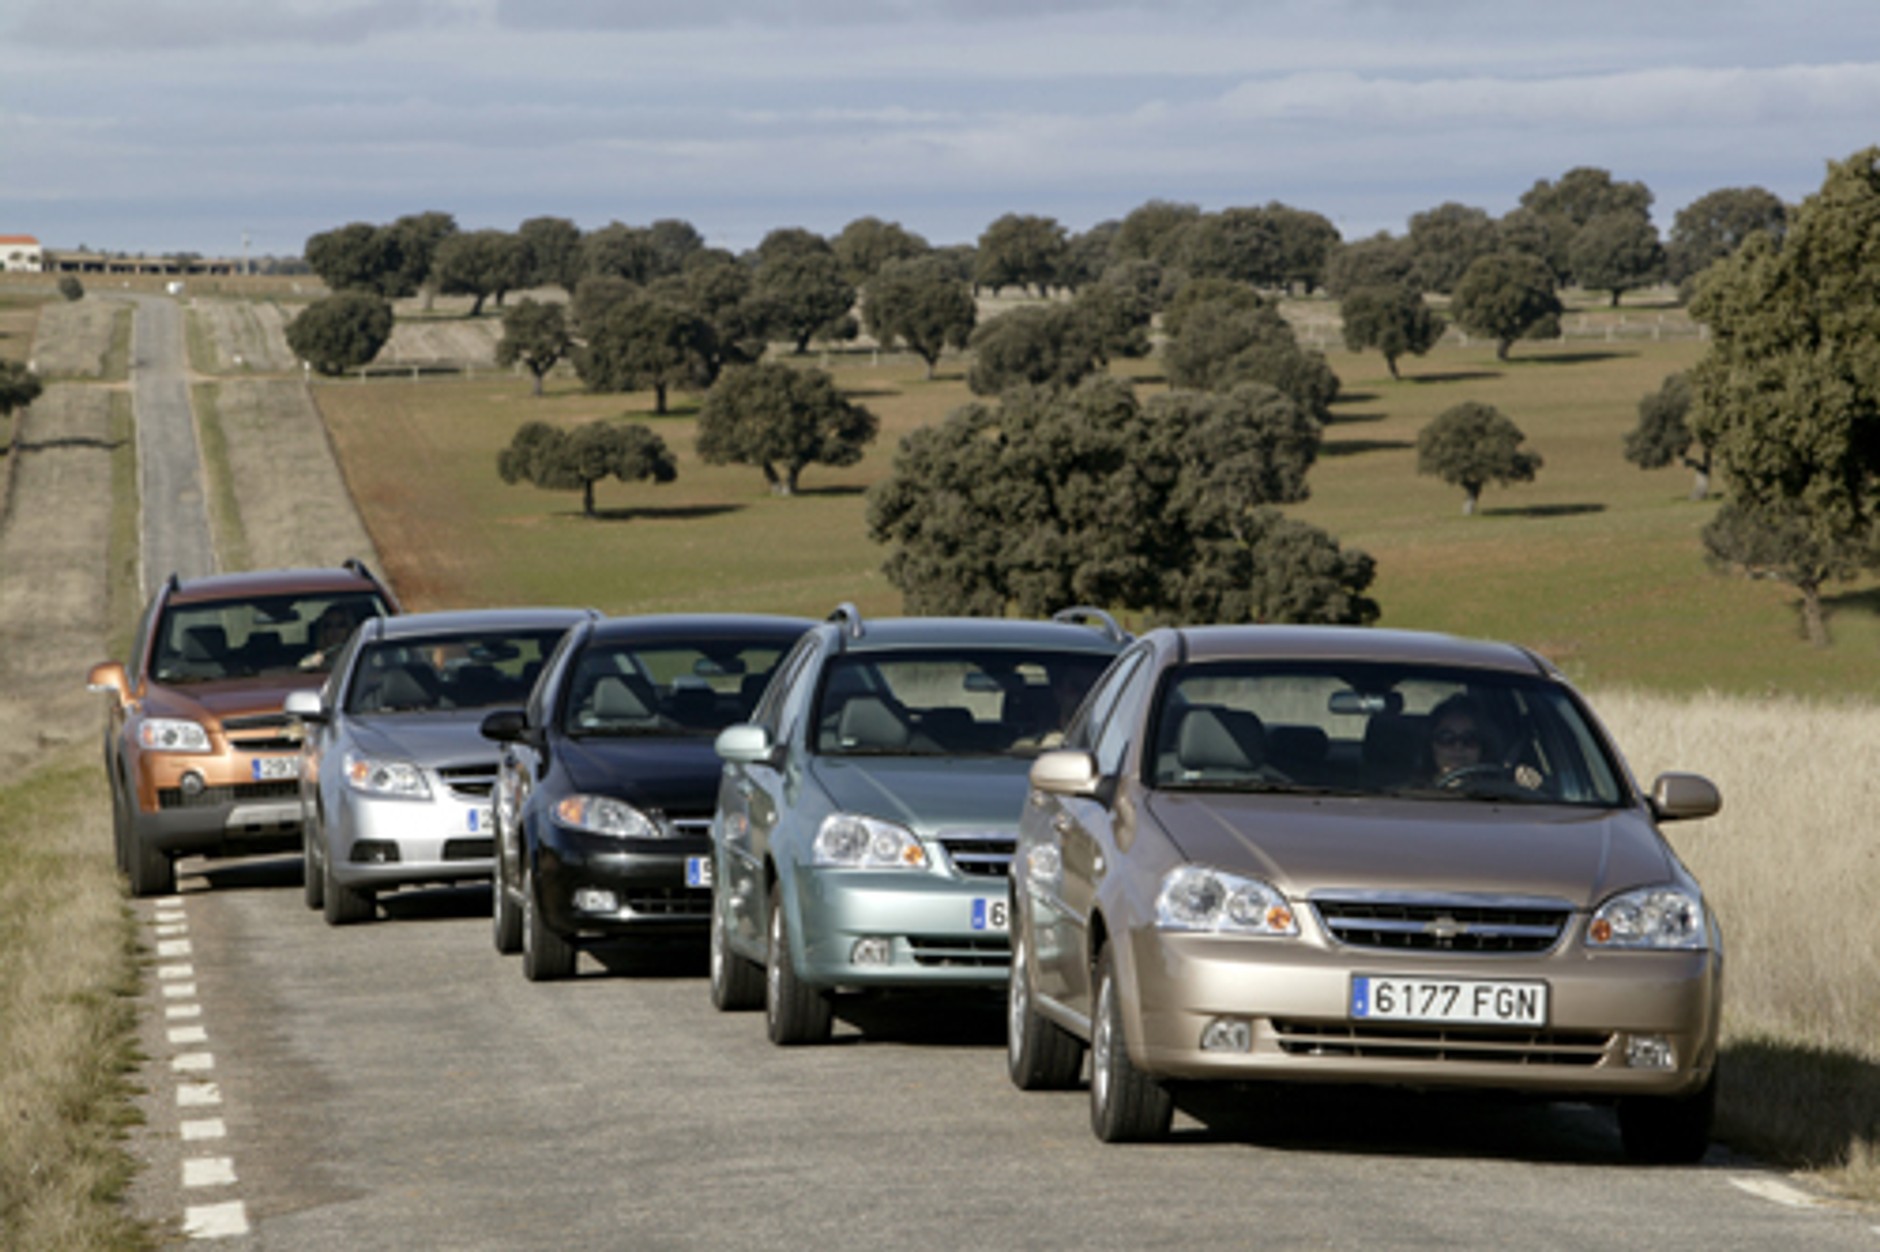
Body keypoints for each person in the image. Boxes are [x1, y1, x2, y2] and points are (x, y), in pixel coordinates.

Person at [1425, 694, 1492, 784]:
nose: (1458, 746)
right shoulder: (1407, 793)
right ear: (1431, 745)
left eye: (1469, 739)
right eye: (1447, 738)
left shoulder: (1503, 791)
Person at [299, 603, 360, 670]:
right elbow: (302, 667)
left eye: (340, 625)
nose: (335, 631)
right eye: (328, 626)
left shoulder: (359, 656)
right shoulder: (316, 658)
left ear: (349, 629)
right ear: (323, 631)